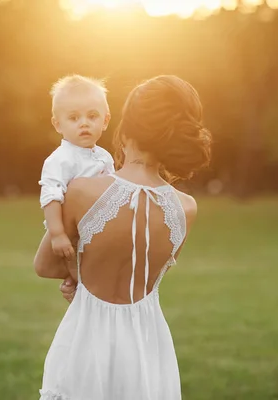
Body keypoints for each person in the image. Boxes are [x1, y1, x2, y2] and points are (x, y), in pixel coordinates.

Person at [34, 75, 211, 400]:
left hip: (85, 343)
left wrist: (77, 274)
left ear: (124, 129)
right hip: (148, 347)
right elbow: (140, 267)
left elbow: (45, 265)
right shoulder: (185, 209)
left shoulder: (82, 191)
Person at [39, 75, 115, 261]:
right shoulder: (60, 160)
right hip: (70, 232)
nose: (84, 123)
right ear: (58, 124)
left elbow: (113, 191)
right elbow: (51, 197)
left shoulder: (104, 157)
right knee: (75, 265)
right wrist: (57, 234)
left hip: (100, 228)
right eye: (74, 118)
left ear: (105, 121)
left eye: (92, 116)